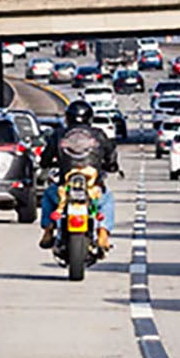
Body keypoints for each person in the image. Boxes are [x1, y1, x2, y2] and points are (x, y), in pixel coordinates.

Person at [39, 100, 118, 251]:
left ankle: (48, 231)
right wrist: (112, 165)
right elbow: (111, 154)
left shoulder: (59, 135)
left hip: (65, 188)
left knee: (49, 195)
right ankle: (103, 232)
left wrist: (46, 163)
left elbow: (46, 158)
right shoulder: (99, 135)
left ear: (68, 118)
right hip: (92, 189)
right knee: (107, 200)